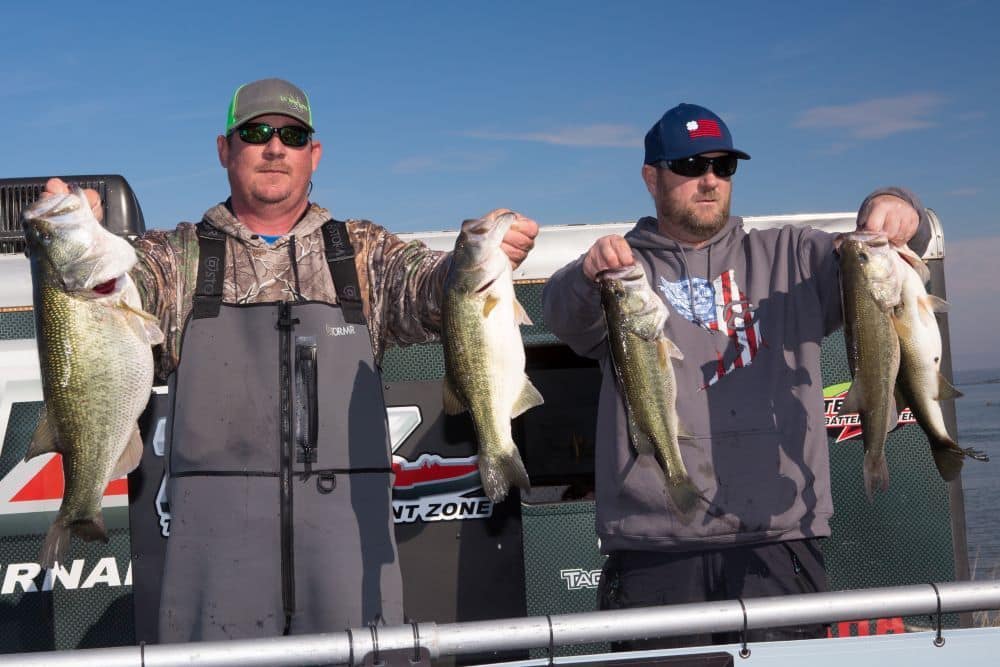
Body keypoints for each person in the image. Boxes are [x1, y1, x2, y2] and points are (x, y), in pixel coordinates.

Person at [44, 77, 539, 643]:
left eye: (293, 135)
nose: (275, 147)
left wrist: (480, 256)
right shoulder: (173, 260)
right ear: (224, 150)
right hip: (213, 566)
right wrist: (73, 232)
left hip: (349, 561)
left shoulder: (363, 253)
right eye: (255, 133)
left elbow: (435, 287)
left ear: (314, 154)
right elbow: (97, 315)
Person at [542, 102, 929, 648]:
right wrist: (586, 275)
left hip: (778, 540)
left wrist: (899, 207)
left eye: (723, 167)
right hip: (653, 549)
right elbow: (561, 315)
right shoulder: (620, 272)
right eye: (691, 164)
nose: (709, 180)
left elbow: (903, 247)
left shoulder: (793, 255)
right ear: (652, 176)